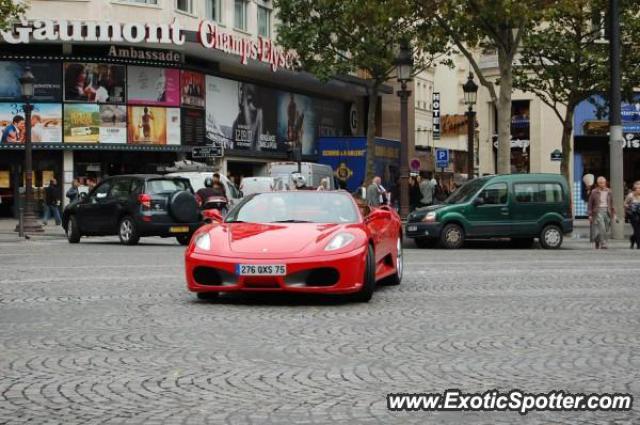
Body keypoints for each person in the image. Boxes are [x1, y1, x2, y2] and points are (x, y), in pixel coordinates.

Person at [588, 176, 616, 249]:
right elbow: (590, 203)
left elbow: (612, 203)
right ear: (598, 183)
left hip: (607, 211)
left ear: (605, 183)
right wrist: (590, 214)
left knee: (606, 229)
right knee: (602, 227)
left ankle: (597, 240)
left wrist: (614, 214)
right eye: (600, 183)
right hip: (598, 211)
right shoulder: (594, 192)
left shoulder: (609, 191)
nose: (602, 184)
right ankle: (604, 244)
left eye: (603, 183)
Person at [624, 180, 640, 249]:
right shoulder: (630, 195)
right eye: (638, 189)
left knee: (638, 230)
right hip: (633, 215)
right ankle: (639, 244)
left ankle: (632, 239)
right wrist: (629, 206)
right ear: (635, 189)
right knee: (637, 229)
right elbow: (624, 204)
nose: (639, 190)